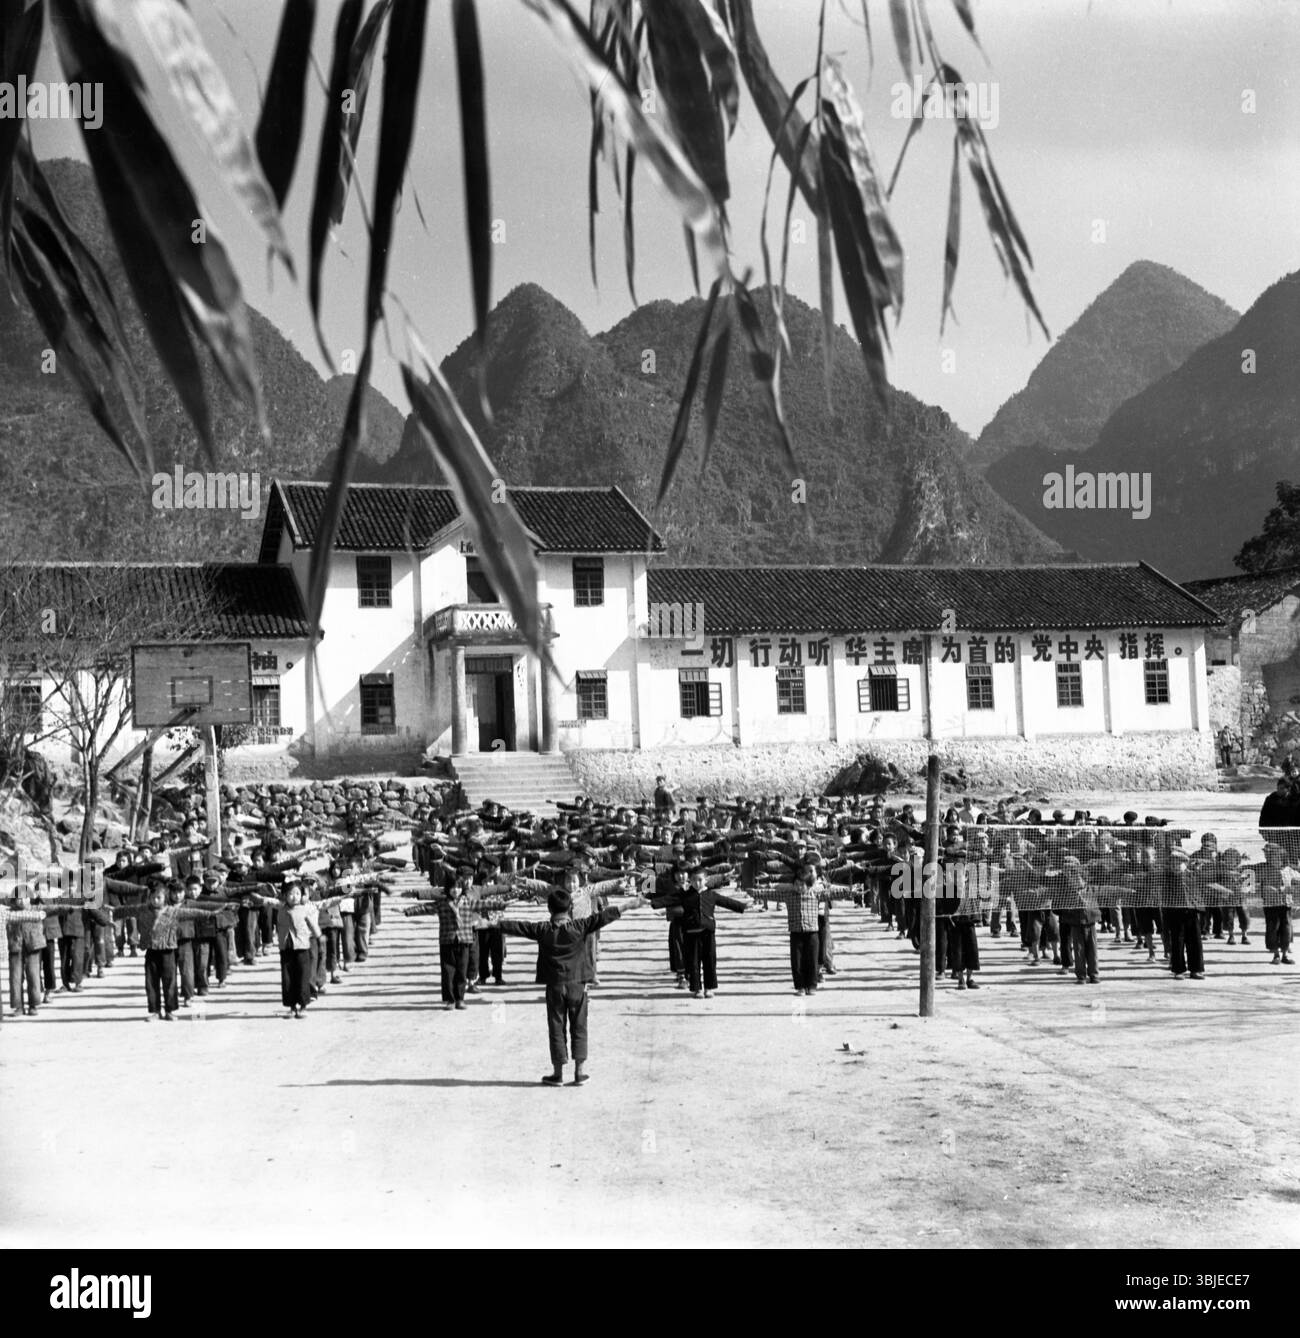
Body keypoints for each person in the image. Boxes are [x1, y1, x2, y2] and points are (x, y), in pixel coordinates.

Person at [495, 886, 645, 1086]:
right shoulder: (580, 927)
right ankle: (579, 1072)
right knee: (579, 1026)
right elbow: (603, 917)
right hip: (577, 985)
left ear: (549, 909)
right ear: (571, 907)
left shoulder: (542, 930)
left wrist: (493, 923)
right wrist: (628, 905)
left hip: (554, 986)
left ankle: (557, 1074)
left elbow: (519, 926)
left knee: (556, 1027)